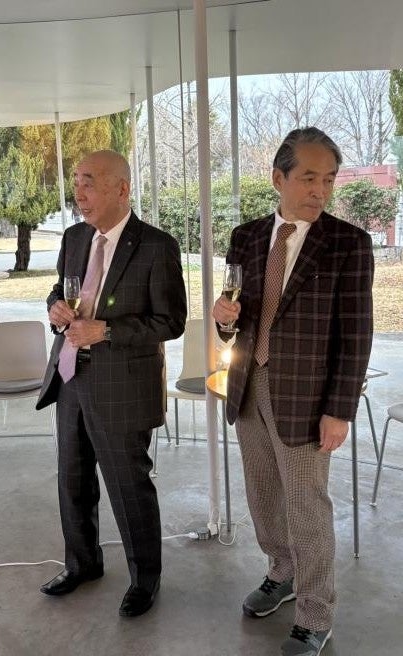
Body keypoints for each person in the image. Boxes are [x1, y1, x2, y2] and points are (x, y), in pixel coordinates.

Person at [213, 127, 373, 656]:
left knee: (307, 507)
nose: (320, 190)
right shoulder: (246, 237)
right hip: (248, 385)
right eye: (308, 178)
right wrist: (223, 318)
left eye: (328, 179)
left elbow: (356, 334)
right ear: (278, 178)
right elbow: (235, 319)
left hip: (309, 398)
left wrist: (339, 410)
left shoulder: (348, 244)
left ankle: (315, 613)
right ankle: (281, 572)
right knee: (262, 495)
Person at [36, 150, 187, 617]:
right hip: (70, 377)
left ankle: (145, 579)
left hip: (123, 387)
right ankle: (82, 564)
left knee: (128, 487)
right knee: (72, 480)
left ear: (122, 189)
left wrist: (106, 331)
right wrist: (55, 307)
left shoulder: (157, 246)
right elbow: (61, 290)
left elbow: (171, 321)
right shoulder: (74, 237)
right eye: (76, 182)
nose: (78, 193)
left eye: (89, 182)